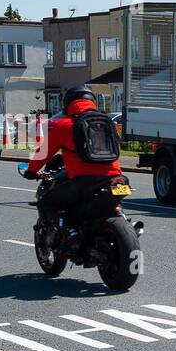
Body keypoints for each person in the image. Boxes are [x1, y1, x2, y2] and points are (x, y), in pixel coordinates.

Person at [25, 85, 122, 240]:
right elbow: (117, 149)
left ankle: (70, 233)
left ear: (67, 104)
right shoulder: (107, 123)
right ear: (93, 102)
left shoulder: (64, 125)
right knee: (113, 205)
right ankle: (121, 220)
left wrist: (31, 171)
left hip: (84, 180)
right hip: (116, 179)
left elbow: (43, 153)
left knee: (46, 202)